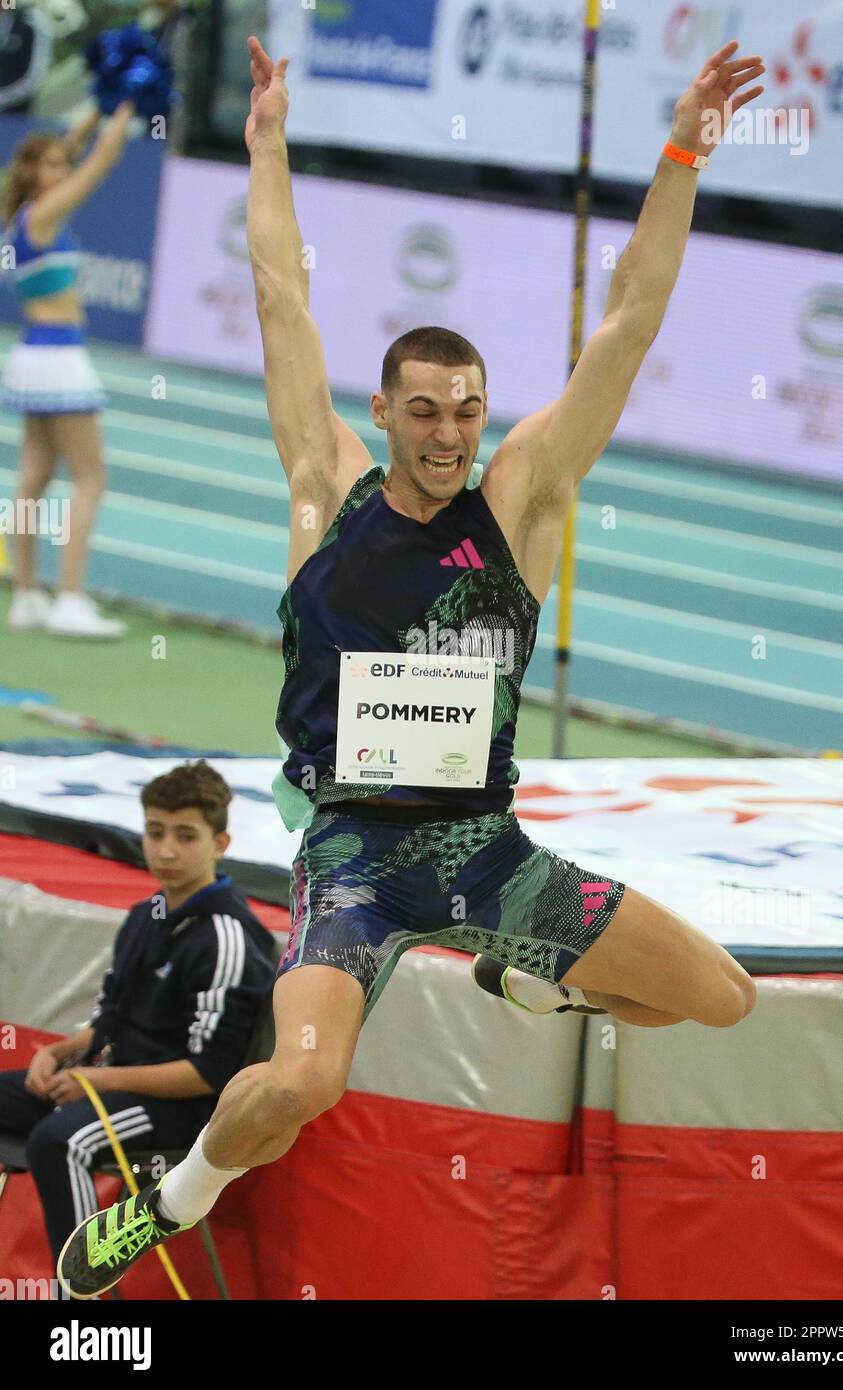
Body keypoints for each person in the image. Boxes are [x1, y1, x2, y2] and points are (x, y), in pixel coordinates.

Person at [58, 34, 765, 1299]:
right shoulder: (325, 486)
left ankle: (519, 981)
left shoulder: (524, 502)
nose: (449, 433)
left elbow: (633, 317)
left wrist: (681, 150)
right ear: (383, 412)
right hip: (356, 856)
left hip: (487, 853)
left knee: (719, 1000)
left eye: (467, 409)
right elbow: (283, 292)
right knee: (305, 1080)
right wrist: (264, 139)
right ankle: (159, 1206)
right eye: (425, 410)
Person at [0, 760, 276, 1289]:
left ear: (221, 843)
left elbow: (208, 1075)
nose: (166, 850)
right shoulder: (144, 917)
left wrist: (94, 1081)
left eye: (186, 836)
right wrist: (60, 1053)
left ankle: (83, 1302)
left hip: (180, 1110)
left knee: (61, 1141)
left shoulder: (227, 937)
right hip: (115, 1082)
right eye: (154, 833)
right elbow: (113, 1023)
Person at [1, 99, 135, 637]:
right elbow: (98, 163)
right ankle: (71, 600)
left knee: (34, 476)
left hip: (35, 352)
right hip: (58, 356)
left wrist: (97, 108)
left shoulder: (21, 215)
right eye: (52, 165)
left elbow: (75, 150)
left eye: (63, 162)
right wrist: (127, 111)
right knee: (90, 479)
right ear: (33, 172)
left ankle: (27, 594)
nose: (64, 170)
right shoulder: (45, 212)